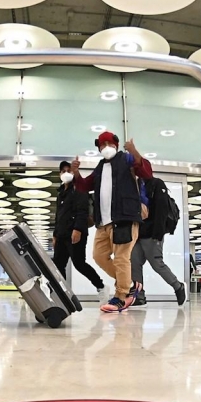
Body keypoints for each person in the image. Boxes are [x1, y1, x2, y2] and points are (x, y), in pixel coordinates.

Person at [71, 131, 152, 313]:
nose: (106, 147)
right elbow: (84, 186)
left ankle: (121, 297)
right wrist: (76, 173)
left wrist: (134, 151)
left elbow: (146, 171)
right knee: (99, 256)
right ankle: (131, 284)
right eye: (102, 144)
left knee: (122, 258)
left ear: (116, 145)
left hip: (124, 217)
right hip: (103, 222)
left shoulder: (127, 159)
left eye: (109, 143)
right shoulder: (100, 167)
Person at [130, 176, 187, 307]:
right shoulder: (135, 185)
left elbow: (161, 210)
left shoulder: (156, 184)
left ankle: (178, 286)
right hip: (138, 232)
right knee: (134, 263)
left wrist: (159, 233)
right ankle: (139, 295)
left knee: (157, 263)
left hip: (152, 233)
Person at [52, 160, 105, 300]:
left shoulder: (79, 188)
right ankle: (62, 293)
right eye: (63, 171)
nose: (66, 173)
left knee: (79, 264)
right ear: (59, 174)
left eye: (68, 171)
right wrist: (55, 235)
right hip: (61, 235)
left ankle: (101, 286)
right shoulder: (60, 193)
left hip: (75, 233)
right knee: (58, 264)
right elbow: (58, 216)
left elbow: (82, 210)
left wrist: (78, 229)